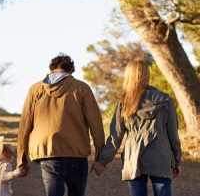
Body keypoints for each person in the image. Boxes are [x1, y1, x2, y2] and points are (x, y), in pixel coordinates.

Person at [17, 53, 105, 196]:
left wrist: (21, 160)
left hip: (49, 154)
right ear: (71, 70)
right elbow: (96, 124)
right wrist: (100, 159)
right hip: (77, 155)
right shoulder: (82, 88)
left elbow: (25, 125)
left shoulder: (35, 89)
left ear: (51, 69)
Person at [92, 60, 182, 196]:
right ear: (147, 75)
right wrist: (176, 161)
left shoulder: (125, 102)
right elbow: (173, 135)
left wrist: (102, 161)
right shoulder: (165, 99)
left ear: (128, 77)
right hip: (161, 158)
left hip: (134, 158)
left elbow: (115, 137)